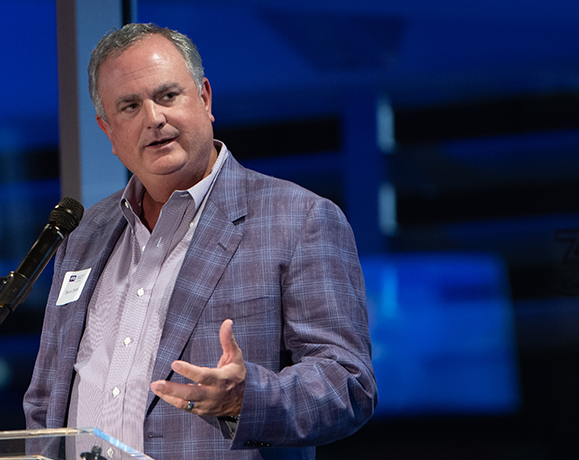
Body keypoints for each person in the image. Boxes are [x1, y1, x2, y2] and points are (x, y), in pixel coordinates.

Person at [23, 23, 376, 459]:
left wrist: (245, 398)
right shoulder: (84, 234)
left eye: (168, 96)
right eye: (130, 106)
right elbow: (46, 397)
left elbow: (348, 383)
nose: (154, 118)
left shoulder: (299, 218)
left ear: (205, 99)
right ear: (108, 131)